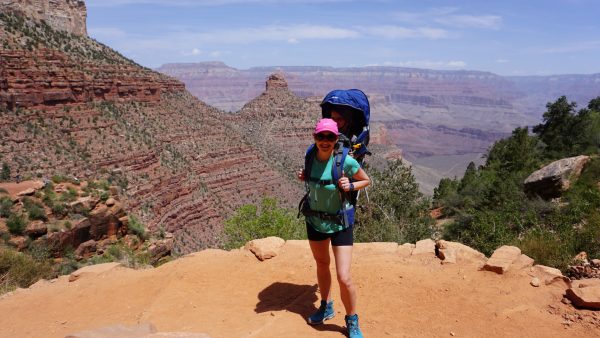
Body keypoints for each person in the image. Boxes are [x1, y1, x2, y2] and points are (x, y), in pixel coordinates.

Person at [297, 118, 370, 338]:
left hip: (340, 223)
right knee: (321, 264)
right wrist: (304, 176)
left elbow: (366, 180)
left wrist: (351, 184)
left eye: (330, 137)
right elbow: (314, 182)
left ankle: (352, 320)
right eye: (321, 136)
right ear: (315, 138)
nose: (325, 141)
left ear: (336, 139)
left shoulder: (345, 161)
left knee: (344, 276)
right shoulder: (310, 156)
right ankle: (326, 306)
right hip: (315, 222)